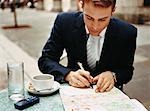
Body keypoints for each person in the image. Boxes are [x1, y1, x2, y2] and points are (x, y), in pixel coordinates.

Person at [38, 0, 137, 93]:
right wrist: (68, 75)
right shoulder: (64, 22)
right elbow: (45, 60)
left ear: (113, 10)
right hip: (73, 91)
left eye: (103, 19)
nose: (95, 27)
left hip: (108, 93)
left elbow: (127, 71)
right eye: (89, 18)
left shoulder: (127, 32)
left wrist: (113, 76)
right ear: (81, 4)